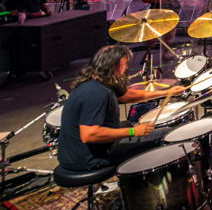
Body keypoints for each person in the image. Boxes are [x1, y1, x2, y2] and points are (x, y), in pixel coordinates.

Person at [57, 44, 185, 171]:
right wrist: (133, 132)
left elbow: (127, 95)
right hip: (89, 158)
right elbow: (89, 134)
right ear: (113, 65)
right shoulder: (97, 92)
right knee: (166, 134)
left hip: (75, 153)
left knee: (127, 123)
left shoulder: (95, 81)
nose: (127, 68)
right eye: (125, 63)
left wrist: (166, 93)